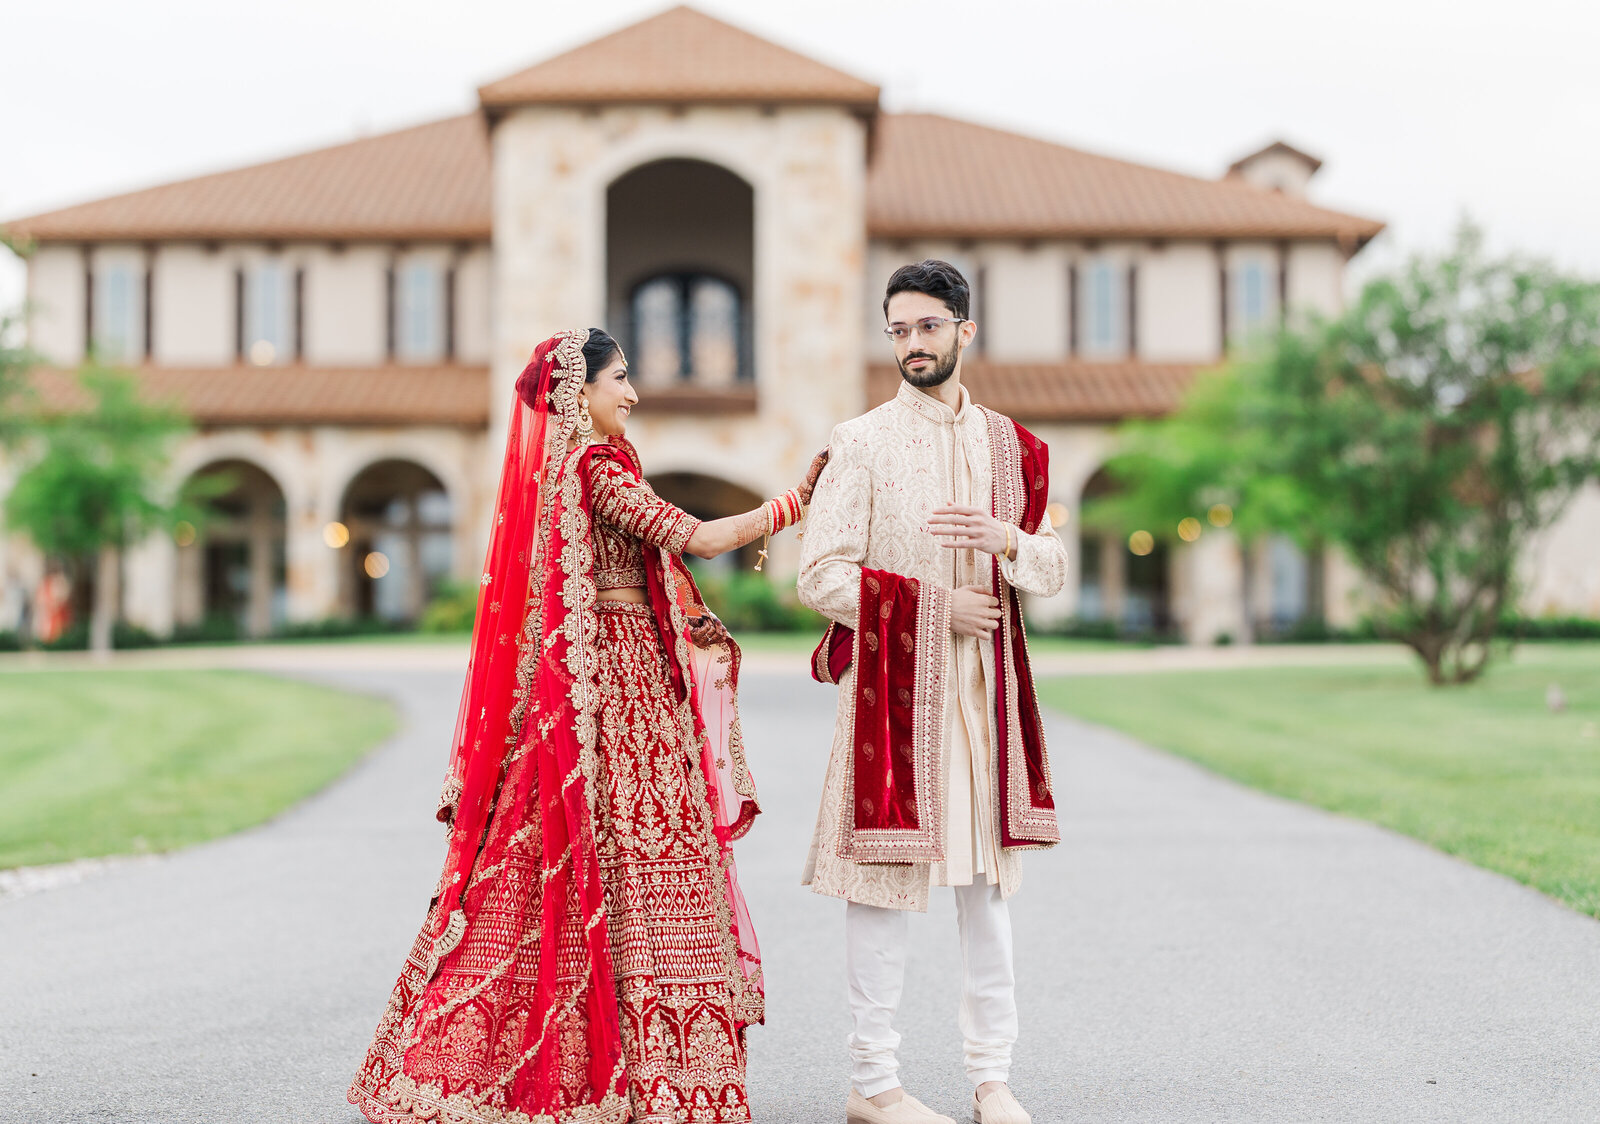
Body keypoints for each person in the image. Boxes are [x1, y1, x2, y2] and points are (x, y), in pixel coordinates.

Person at [351, 328, 822, 1124]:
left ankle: (644, 1066)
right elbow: (700, 539)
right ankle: (641, 1068)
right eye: (621, 379)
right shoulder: (594, 468)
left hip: (623, 680)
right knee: (631, 856)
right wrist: (794, 504)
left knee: (610, 864)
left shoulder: (584, 469)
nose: (632, 394)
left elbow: (646, 569)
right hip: (615, 695)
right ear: (582, 392)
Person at [798, 262, 1069, 1124]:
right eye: (898, 331)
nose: (913, 345)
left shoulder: (1012, 448)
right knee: (882, 890)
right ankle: (873, 1085)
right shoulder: (863, 440)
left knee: (987, 890)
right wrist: (931, 607)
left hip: (986, 697)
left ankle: (993, 1079)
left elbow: (1053, 569)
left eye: (927, 327)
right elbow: (820, 575)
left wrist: (1006, 538)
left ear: (964, 330)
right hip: (895, 697)